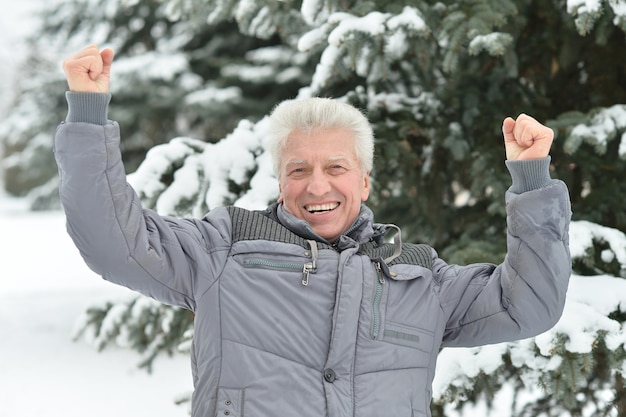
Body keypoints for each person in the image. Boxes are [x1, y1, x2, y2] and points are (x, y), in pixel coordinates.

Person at [54, 44, 572, 417]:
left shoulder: (421, 279)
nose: (316, 185)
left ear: (365, 181)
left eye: (337, 168)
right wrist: (88, 115)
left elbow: (526, 305)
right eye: (298, 169)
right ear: (281, 183)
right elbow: (115, 243)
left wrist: (531, 181)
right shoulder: (223, 250)